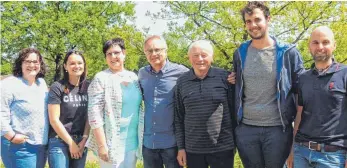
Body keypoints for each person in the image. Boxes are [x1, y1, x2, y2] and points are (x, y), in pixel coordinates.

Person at [232, 2, 305, 168]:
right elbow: (237, 84)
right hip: (246, 130)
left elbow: (302, 91)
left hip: (278, 130)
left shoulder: (288, 53)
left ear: (268, 19)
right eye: (248, 21)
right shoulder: (240, 53)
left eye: (257, 19)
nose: (253, 25)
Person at [286, 26, 347, 168]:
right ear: (309, 47)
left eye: (325, 42)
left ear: (334, 45)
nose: (320, 47)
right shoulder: (303, 78)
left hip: (333, 156)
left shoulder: (344, 74)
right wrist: (291, 150)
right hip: (301, 151)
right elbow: (299, 115)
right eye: (315, 42)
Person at [174, 40, 235, 168]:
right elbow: (178, 117)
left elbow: (234, 111)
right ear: (189, 58)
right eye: (195, 55)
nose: (200, 59)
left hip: (223, 148)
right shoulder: (181, 82)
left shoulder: (226, 78)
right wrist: (181, 148)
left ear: (212, 57)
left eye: (204, 55)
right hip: (193, 150)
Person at [86, 38, 144, 168]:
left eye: (117, 52)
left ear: (124, 53)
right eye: (109, 54)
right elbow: (94, 115)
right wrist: (102, 145)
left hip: (132, 142)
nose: (113, 57)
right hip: (111, 143)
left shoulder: (133, 77)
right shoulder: (101, 78)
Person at [138, 35, 189, 168]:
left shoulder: (181, 72)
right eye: (149, 51)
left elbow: (201, 78)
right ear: (145, 53)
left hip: (172, 144)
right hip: (149, 143)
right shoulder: (142, 74)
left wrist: (228, 77)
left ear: (166, 51)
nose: (153, 54)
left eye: (157, 50)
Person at [1, 48, 49, 168]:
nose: (32, 65)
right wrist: (11, 136)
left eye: (35, 62)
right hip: (19, 146)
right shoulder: (9, 84)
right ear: (20, 63)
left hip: (41, 145)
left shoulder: (41, 83)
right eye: (27, 61)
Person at [47, 50, 90, 168]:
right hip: (59, 141)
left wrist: (84, 140)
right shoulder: (57, 87)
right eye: (72, 63)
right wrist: (71, 143)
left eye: (80, 63)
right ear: (65, 66)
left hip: (81, 141)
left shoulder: (89, 87)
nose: (77, 66)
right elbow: (54, 120)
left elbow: (90, 116)